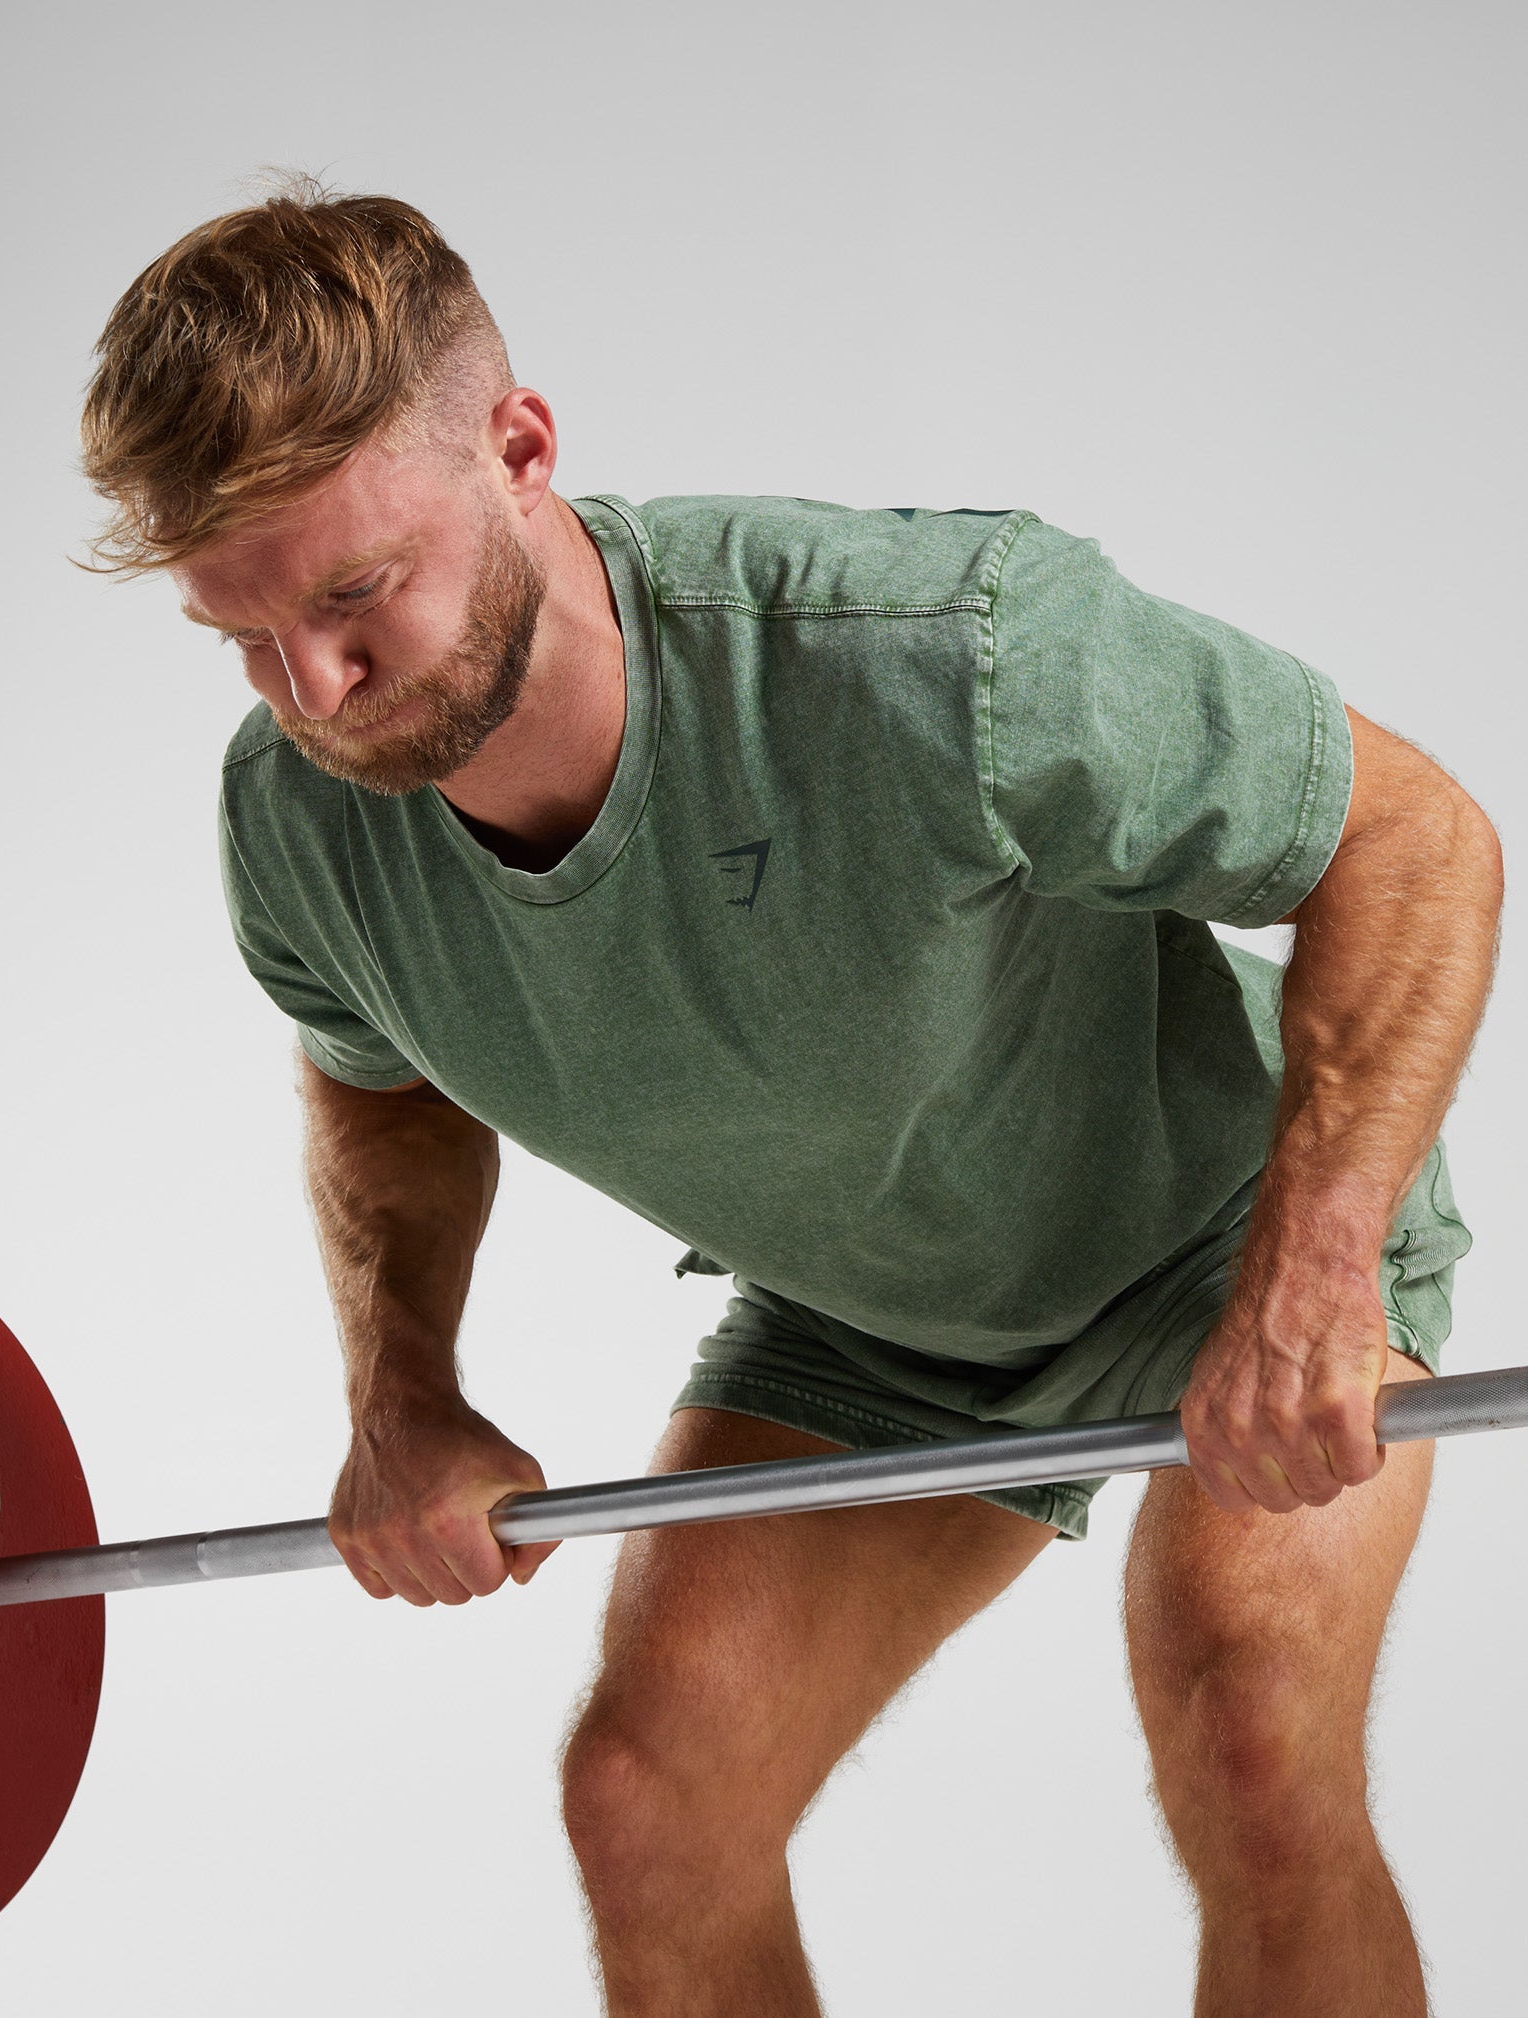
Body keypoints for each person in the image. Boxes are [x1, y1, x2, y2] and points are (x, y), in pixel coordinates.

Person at [80, 182, 1501, 2018]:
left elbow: (1411, 843)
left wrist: (1310, 1277)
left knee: (1248, 1714)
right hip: (877, 1302)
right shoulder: (296, 831)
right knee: (647, 1800)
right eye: (245, 637)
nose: (319, 691)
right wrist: (404, 1394)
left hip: (1229, 1227)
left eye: (357, 593)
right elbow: (379, 1082)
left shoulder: (932, 652)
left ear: (521, 449)